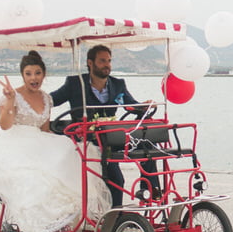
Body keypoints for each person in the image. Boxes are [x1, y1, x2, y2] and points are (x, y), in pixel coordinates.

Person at [0, 50, 111, 232]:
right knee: (39, 181)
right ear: (23, 76)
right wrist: (9, 101)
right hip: (14, 144)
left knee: (76, 156)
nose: (33, 78)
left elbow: (44, 128)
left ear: (44, 74)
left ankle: (63, 226)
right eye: (28, 74)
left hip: (38, 141)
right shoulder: (12, 95)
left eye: (37, 73)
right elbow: (5, 126)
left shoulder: (46, 98)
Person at [50, 44, 158, 208]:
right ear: (90, 63)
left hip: (111, 139)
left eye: (109, 61)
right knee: (116, 179)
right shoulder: (75, 83)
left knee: (149, 143)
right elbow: (51, 100)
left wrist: (145, 106)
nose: (107, 65)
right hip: (88, 140)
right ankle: (115, 219)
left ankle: (150, 190)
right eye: (102, 61)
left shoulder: (118, 84)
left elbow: (133, 106)